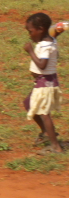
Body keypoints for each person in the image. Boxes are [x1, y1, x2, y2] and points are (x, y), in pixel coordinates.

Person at [23, 12, 62, 153]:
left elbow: (42, 65)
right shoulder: (51, 40)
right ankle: (46, 132)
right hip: (43, 82)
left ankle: (55, 146)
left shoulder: (45, 46)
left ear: (40, 29)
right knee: (28, 103)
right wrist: (59, 29)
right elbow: (55, 31)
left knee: (44, 114)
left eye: (31, 31)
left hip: (45, 84)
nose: (30, 35)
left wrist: (30, 51)